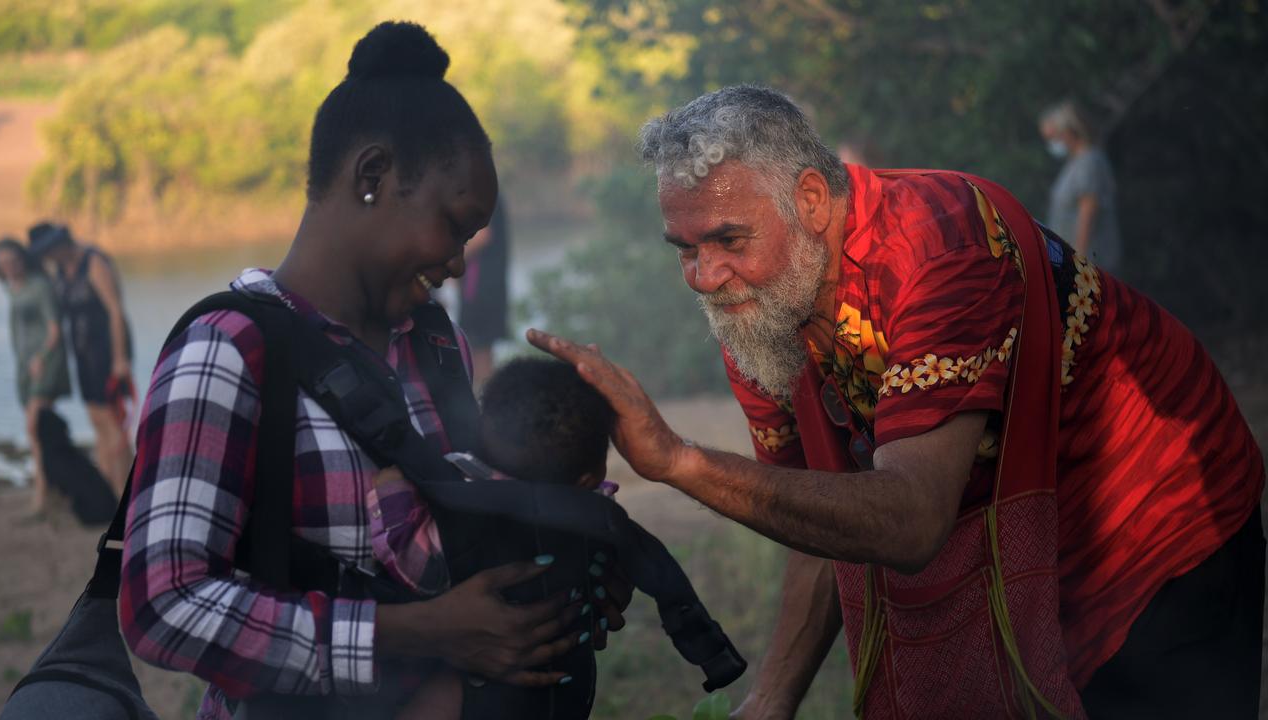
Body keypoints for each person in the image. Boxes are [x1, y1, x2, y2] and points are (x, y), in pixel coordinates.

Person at [528, 85, 1264, 718]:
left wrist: (682, 462)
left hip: (1160, 520)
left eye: (726, 238)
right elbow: (820, 510)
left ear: (811, 200)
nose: (703, 276)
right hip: (1033, 550)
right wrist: (774, 697)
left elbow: (908, 520)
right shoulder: (757, 309)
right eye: (683, 249)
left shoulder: (940, 249)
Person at [118, 22, 623, 719]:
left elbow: (460, 528)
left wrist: (561, 563)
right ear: (372, 176)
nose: (457, 264)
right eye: (454, 226)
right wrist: (420, 633)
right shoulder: (228, 350)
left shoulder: (434, 342)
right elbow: (162, 603)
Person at [374, 356, 617, 719]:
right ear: (587, 476)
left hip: (480, 687)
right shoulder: (595, 513)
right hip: (569, 679)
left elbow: (418, 570)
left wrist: (390, 494)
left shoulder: (468, 509)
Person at [27, 221, 134, 493]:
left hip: (107, 351)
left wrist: (120, 358)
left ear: (59, 244)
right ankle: (111, 491)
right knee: (97, 419)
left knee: (114, 423)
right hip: (83, 353)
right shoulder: (61, 271)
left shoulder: (93, 261)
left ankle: (126, 494)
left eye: (49, 251)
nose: (48, 258)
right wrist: (44, 357)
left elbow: (115, 311)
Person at [0, 236, 71, 515]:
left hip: (44, 365)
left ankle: (42, 497)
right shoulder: (12, 286)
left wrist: (42, 358)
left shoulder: (39, 286)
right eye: (3, 264)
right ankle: (54, 491)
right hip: (25, 366)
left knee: (35, 427)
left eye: (13, 261)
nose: (9, 267)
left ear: (22, 258)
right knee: (42, 430)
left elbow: (55, 330)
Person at [1039, 100, 1122, 273]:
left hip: (1089, 267)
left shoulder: (1089, 162)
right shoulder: (1074, 165)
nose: (1053, 143)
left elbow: (1088, 212)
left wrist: (1078, 262)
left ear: (1069, 132)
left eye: (1054, 136)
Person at [457, 193, 510, 384]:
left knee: (479, 353)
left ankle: (484, 406)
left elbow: (483, 235)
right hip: (481, 288)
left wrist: (447, 258)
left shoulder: (484, 193)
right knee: (478, 350)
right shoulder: (487, 189)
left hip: (480, 290)